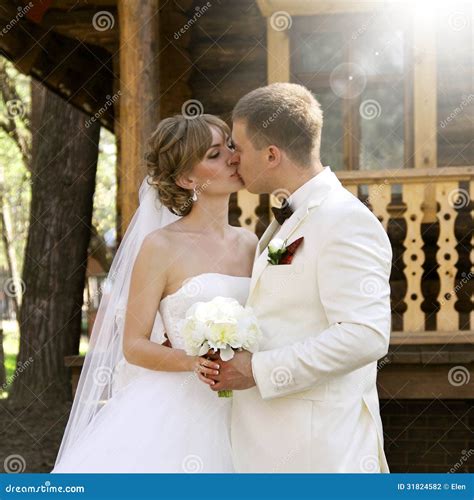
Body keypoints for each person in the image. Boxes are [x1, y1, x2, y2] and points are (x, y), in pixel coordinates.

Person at [199, 83, 393, 473]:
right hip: (268, 444)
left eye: (237, 146)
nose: (233, 159)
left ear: (272, 155)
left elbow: (365, 334)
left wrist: (257, 369)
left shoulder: (345, 220)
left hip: (318, 452)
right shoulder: (289, 217)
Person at [52, 114, 257, 473]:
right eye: (214, 154)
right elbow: (134, 344)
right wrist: (195, 362)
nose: (232, 156)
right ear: (186, 178)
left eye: (229, 145)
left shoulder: (251, 243)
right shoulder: (160, 246)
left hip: (248, 405)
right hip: (180, 413)